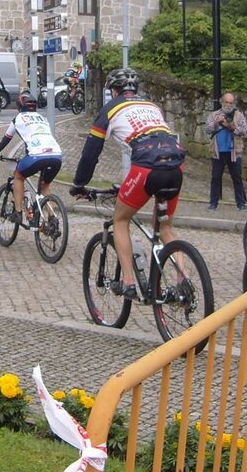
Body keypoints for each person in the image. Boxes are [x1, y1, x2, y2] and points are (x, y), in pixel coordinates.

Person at [69, 68, 186, 301]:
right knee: (164, 228)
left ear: (113, 91)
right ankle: (184, 280)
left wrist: (79, 184)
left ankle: (129, 283)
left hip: (146, 168)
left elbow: (91, 153)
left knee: (120, 220)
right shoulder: (152, 106)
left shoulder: (109, 109)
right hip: (175, 166)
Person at [0, 91, 62, 225]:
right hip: (56, 155)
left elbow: (6, 139)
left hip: (37, 155)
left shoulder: (18, 118)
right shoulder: (42, 118)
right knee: (45, 186)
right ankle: (52, 218)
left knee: (18, 176)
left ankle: (18, 212)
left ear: (19, 106)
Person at [205, 92, 247, 210]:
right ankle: (213, 203)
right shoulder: (214, 114)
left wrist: (231, 126)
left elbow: (244, 130)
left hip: (234, 152)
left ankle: (241, 203)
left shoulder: (239, 115)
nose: (229, 105)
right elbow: (208, 130)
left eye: (231, 102)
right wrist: (216, 122)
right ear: (222, 102)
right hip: (218, 151)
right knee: (215, 177)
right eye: (226, 102)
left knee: (237, 178)